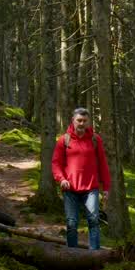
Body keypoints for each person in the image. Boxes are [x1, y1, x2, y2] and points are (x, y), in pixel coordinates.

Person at [51, 107, 111, 250]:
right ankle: (72, 255)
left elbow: (103, 164)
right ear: (73, 120)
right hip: (70, 188)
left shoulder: (95, 140)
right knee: (71, 223)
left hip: (91, 188)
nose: (82, 123)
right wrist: (61, 179)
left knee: (94, 221)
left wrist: (106, 187)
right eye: (79, 120)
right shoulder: (63, 140)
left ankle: (94, 256)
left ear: (88, 122)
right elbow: (56, 163)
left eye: (84, 121)